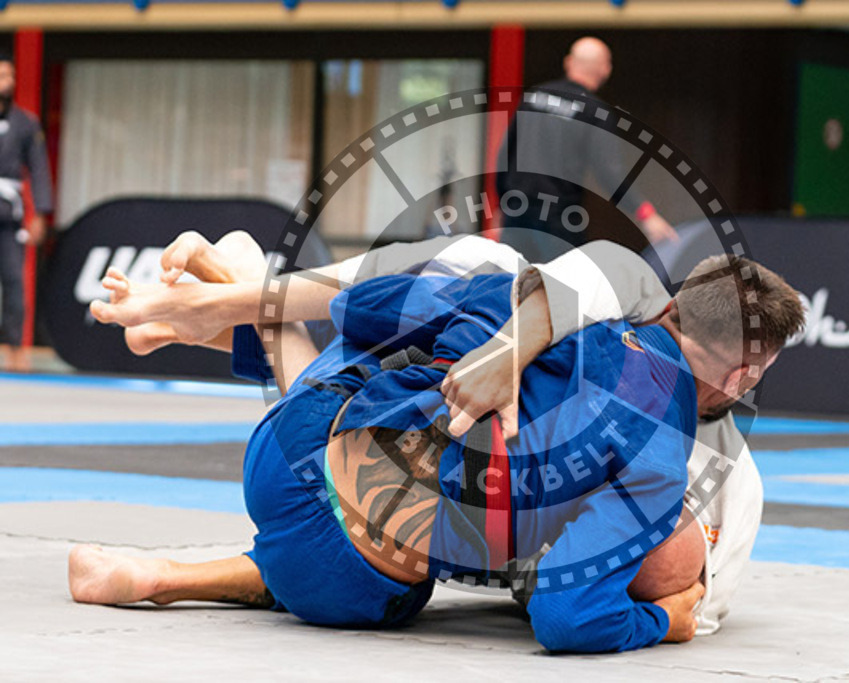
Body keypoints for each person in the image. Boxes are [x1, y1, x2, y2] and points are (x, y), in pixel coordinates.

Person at [72, 233, 802, 652]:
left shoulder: (517, 292)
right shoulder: (659, 460)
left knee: (448, 286)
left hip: (281, 456)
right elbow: (565, 614)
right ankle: (162, 573)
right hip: (342, 582)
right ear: (742, 376)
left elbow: (359, 308)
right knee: (438, 538)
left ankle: (246, 296)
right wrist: (661, 619)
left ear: (671, 306)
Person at [496, 37, 676, 263]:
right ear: (605, 69)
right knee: (565, 289)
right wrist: (646, 214)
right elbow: (609, 173)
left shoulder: (535, 96)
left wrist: (503, 203)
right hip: (557, 218)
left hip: (516, 210)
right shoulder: (595, 111)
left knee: (510, 286)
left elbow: (505, 155)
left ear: (569, 62)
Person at [0, 54, 54, 372]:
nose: (6, 80)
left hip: (9, 216)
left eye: (10, 74)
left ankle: (16, 349)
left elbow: (38, 169)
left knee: (12, 282)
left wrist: (41, 213)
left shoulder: (26, 123)